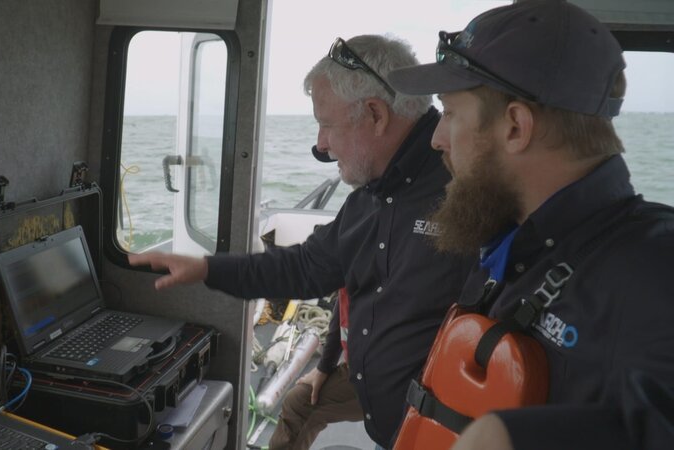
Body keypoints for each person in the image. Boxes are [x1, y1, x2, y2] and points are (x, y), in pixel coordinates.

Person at [129, 34, 474, 449]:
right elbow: (305, 267)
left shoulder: (468, 191)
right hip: (390, 425)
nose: (320, 144)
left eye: (326, 124)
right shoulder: (369, 201)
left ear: (375, 115)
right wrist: (206, 268)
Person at [387, 1, 674, 449]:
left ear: (516, 127)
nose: (436, 138)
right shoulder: (516, 242)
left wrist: (518, 438)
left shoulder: (654, 268)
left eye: (450, 112)